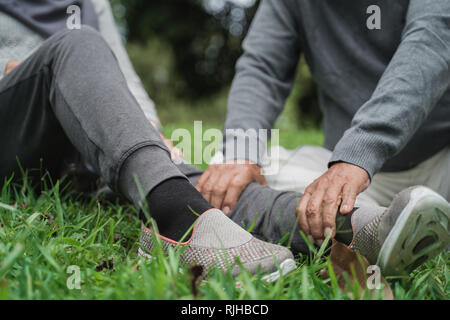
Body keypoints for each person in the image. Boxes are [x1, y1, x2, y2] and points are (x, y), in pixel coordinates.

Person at [0, 0, 296, 279]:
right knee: (77, 42)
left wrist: (148, 131)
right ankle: (176, 221)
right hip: (17, 135)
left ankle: (328, 222)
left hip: (84, 145)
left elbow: (121, 75)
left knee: (185, 177)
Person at [197, 0, 450, 248]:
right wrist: (241, 154)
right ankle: (376, 226)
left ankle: (375, 225)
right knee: (252, 184)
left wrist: (360, 151)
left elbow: (430, 42)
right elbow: (263, 69)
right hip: (344, 174)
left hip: (440, 159)